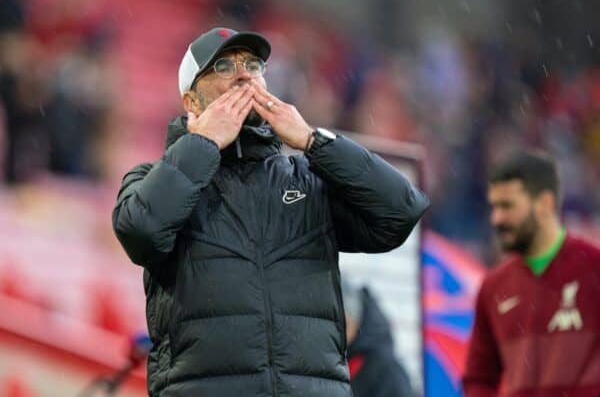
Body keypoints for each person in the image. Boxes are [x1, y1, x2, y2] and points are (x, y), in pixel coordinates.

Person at [112, 27, 429, 397]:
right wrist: (204, 143)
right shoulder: (153, 179)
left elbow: (400, 212)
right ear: (191, 102)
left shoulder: (309, 178)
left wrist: (314, 141)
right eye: (224, 67)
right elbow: (142, 232)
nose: (244, 74)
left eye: (253, 64)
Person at [462, 151, 600, 397]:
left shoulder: (594, 268)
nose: (497, 218)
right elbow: (478, 379)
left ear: (544, 204)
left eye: (507, 206)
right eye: (494, 207)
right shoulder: (493, 287)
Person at [341, 278, 414, 397]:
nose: (339, 330)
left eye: (345, 321)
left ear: (356, 320)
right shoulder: (335, 360)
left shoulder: (386, 371)